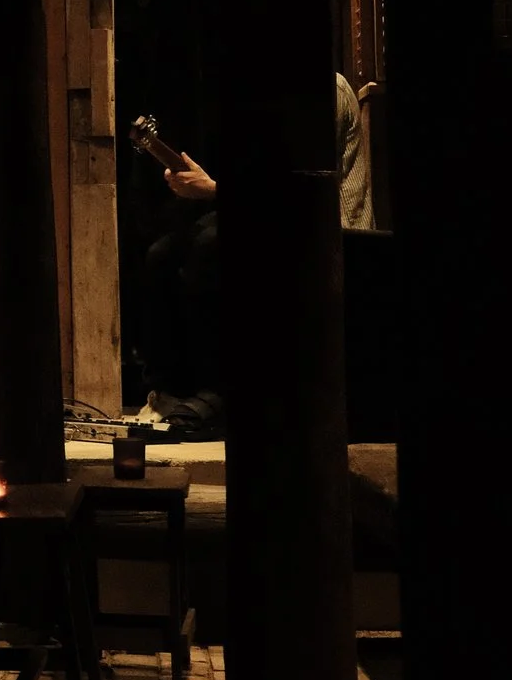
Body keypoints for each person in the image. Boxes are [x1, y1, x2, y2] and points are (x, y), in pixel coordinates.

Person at [136, 72, 377, 426]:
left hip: (328, 232)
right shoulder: (270, 92)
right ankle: (170, 389)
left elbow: (299, 190)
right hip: (281, 220)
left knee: (209, 247)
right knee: (163, 252)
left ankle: (217, 392)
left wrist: (213, 189)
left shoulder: (322, 88)